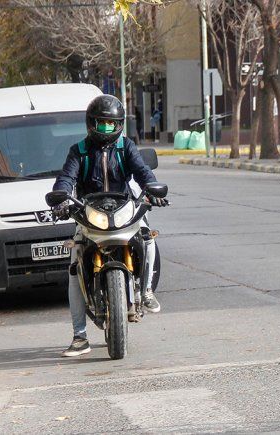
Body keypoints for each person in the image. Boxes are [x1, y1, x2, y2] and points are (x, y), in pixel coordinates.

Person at [53, 94, 165, 357]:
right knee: (75, 264)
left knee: (149, 238)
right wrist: (60, 198)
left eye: (111, 124)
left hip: (123, 207)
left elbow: (142, 172)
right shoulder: (78, 151)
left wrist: (153, 189)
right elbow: (66, 178)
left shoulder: (126, 147)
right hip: (89, 211)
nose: (107, 129)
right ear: (91, 124)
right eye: (101, 124)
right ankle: (79, 336)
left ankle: (146, 290)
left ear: (120, 124)